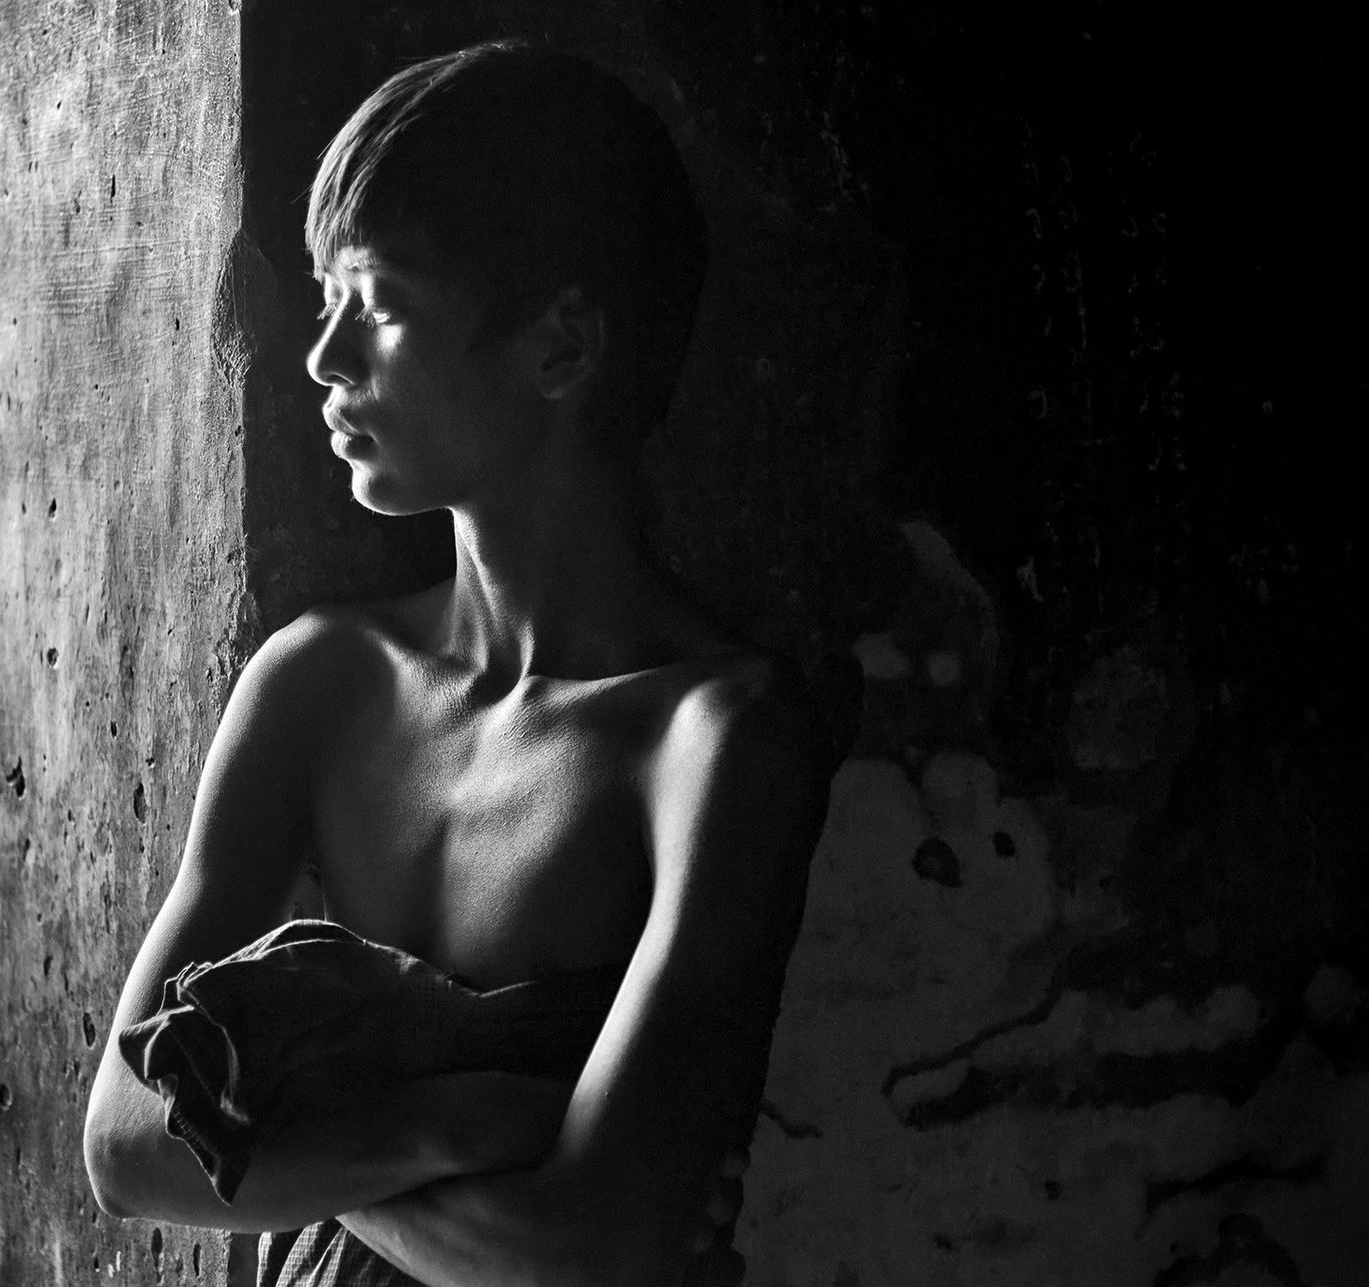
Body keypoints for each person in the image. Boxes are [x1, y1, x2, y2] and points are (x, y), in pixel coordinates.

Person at [84, 40, 848, 1287]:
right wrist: (446, 1125)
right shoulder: (321, 683)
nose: (326, 359)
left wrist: (280, 1142)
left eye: (378, 305)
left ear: (560, 348)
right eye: (326, 299)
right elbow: (124, 1149)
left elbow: (596, 1244)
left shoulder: (713, 743)